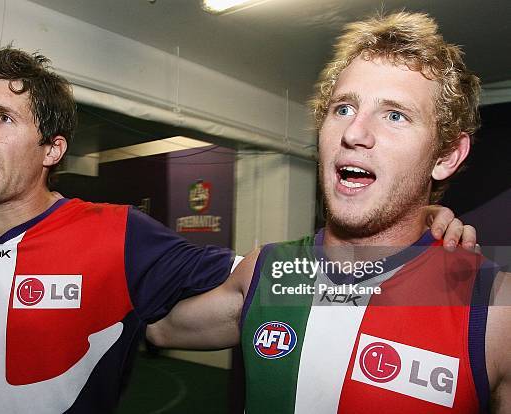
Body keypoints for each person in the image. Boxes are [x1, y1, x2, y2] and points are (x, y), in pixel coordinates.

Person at [0, 46, 477, 413]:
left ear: (54, 148)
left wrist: (415, 226)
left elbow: (245, 283)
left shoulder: (119, 234)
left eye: (2, 117)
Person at [147, 12, 510, 413]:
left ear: (445, 156)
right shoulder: (271, 272)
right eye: (342, 109)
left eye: (394, 115)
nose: (354, 133)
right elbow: (157, 330)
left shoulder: (495, 312)